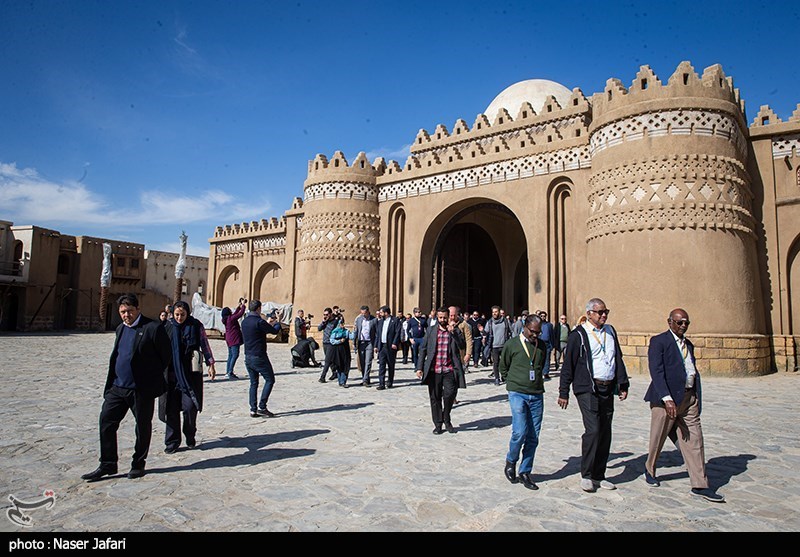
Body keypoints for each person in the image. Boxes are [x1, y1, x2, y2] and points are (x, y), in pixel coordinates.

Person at [81, 293, 171, 481]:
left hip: (141, 389)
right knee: (106, 421)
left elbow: (165, 357)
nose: (126, 315)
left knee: (142, 427)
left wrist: (149, 379)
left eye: (129, 311)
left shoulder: (152, 328)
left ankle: (138, 464)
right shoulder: (120, 329)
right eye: (123, 311)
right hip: (118, 387)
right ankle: (108, 464)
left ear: (138, 309)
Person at [643, 308, 725, 502]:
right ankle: (650, 469)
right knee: (658, 438)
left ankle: (700, 484)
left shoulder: (688, 344)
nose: (683, 326)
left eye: (686, 323)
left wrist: (695, 394)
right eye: (679, 322)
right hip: (665, 401)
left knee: (695, 440)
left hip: (688, 399)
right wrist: (666, 397)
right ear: (669, 322)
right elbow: (656, 371)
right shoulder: (659, 341)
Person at [558, 298, 629, 493]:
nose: (604, 315)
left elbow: (617, 358)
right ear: (589, 313)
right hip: (587, 388)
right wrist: (563, 391)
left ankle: (599, 474)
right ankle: (587, 474)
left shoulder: (610, 331)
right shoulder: (578, 335)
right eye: (600, 312)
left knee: (606, 431)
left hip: (608, 388)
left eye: (606, 311)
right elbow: (568, 366)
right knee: (594, 430)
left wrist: (623, 383)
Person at [158, 300, 216, 453]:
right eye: (177, 314)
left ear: (187, 313)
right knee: (171, 410)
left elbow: (204, 344)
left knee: (190, 407)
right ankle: (172, 442)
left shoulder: (195, 326)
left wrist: (211, 363)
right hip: (171, 376)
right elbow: (158, 348)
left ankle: (190, 434)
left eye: (182, 314)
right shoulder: (167, 327)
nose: (179, 318)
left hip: (190, 375)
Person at [500, 313, 547, 490]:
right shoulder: (512, 344)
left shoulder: (541, 346)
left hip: (536, 394)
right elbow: (503, 365)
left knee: (533, 436)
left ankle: (525, 471)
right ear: (524, 327)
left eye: (538, 332)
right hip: (517, 392)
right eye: (533, 331)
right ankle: (511, 460)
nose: (536, 335)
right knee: (519, 432)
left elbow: (540, 364)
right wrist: (512, 382)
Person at [416, 307, 467, 434]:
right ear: (437, 317)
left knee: (450, 395)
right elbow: (423, 349)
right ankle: (438, 424)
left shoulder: (454, 331)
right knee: (435, 398)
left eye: (445, 317)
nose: (443, 320)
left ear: (449, 317)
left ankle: (446, 416)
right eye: (440, 317)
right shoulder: (431, 331)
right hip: (434, 370)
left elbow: (462, 345)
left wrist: (454, 332)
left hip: (449, 369)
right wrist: (419, 367)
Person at [241, 299, 282, 418]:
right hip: (259, 356)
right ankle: (262, 406)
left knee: (253, 383)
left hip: (248, 356)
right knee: (270, 379)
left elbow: (259, 330)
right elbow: (274, 331)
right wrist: (278, 321)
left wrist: (267, 323)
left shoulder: (245, 321)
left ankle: (253, 409)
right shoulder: (259, 321)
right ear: (259, 308)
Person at [375, 305, 402, 390]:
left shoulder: (395, 320)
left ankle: (390, 382)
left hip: (390, 346)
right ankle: (381, 383)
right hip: (382, 346)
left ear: (386, 313)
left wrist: (395, 343)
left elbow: (398, 333)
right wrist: (376, 345)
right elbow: (378, 335)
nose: (380, 314)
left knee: (391, 365)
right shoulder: (380, 322)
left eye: (381, 312)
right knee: (381, 365)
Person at [485, 305, 512, 385]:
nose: (494, 313)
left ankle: (504, 376)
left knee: (504, 362)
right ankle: (497, 378)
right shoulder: (490, 322)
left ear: (499, 312)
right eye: (493, 312)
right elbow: (486, 332)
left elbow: (511, 331)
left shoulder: (505, 321)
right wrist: (482, 331)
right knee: (496, 363)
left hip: (504, 345)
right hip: (494, 346)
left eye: (496, 312)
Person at [221, 298, 246, 380]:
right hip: (234, 339)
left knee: (230, 355)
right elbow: (239, 314)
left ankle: (228, 371)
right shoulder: (231, 319)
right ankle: (230, 372)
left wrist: (238, 307)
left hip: (229, 339)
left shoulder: (227, 319)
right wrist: (243, 306)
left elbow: (235, 314)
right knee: (235, 355)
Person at [354, 305, 378, 386]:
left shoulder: (374, 320)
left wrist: (376, 345)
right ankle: (366, 378)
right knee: (362, 362)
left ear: (368, 312)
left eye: (364, 313)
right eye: (361, 313)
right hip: (361, 343)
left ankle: (365, 379)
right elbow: (356, 331)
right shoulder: (359, 319)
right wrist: (355, 343)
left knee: (368, 361)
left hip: (370, 343)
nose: (363, 315)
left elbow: (377, 333)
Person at [317, 307, 342, 383]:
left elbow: (339, 329)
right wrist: (323, 322)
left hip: (332, 343)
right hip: (325, 343)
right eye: (324, 314)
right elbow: (319, 328)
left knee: (327, 360)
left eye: (327, 314)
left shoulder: (335, 321)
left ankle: (322, 377)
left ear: (330, 314)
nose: (325, 316)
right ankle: (335, 373)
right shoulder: (325, 321)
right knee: (330, 360)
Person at [328, 320, 352, 387]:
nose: (342, 325)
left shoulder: (346, 331)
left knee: (346, 365)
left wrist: (355, 331)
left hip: (345, 350)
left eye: (343, 323)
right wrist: (339, 341)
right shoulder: (335, 331)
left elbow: (351, 337)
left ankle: (343, 381)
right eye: (341, 323)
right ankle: (340, 381)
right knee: (339, 365)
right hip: (338, 350)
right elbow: (332, 341)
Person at [538, 311, 555, 380]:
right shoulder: (537, 324)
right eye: (541, 316)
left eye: (544, 316)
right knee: (539, 359)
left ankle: (546, 373)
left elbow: (552, 335)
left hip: (547, 344)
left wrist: (552, 345)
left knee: (547, 359)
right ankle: (539, 372)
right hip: (539, 343)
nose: (543, 317)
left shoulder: (549, 325)